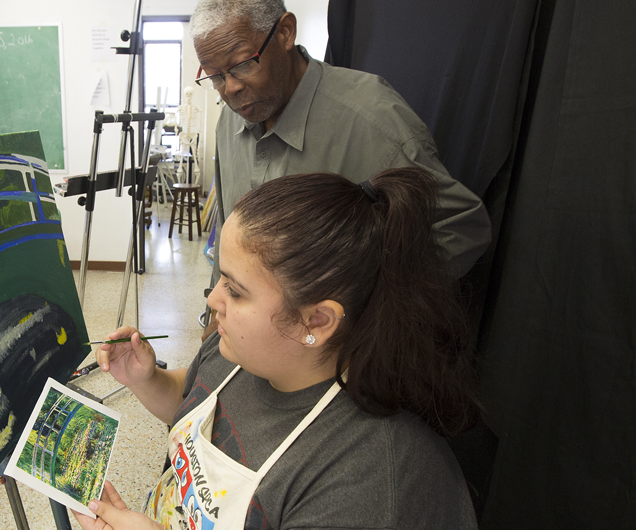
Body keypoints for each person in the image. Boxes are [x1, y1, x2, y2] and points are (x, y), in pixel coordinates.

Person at [74, 168, 479, 530]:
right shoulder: (234, 348)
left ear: (316, 321)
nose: (213, 299)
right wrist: (148, 379)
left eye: (234, 289)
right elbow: (193, 395)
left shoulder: (368, 483)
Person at [191, 0, 491, 327]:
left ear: (285, 32)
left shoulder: (370, 119)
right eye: (214, 76)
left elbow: (462, 229)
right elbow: (229, 234)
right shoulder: (230, 122)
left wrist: (365, 308)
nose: (230, 89)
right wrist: (217, 314)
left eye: (242, 64)